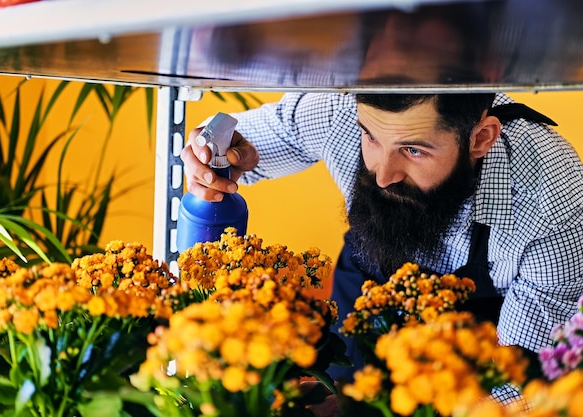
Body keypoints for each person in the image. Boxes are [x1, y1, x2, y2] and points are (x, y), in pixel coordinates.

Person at [180, 4, 583, 412]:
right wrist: (215, 157)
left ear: (480, 139)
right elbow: (241, 150)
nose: (384, 174)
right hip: (368, 288)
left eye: (413, 149)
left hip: (480, 347)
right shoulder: (338, 111)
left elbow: (513, 390)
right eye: (370, 137)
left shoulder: (552, 201)